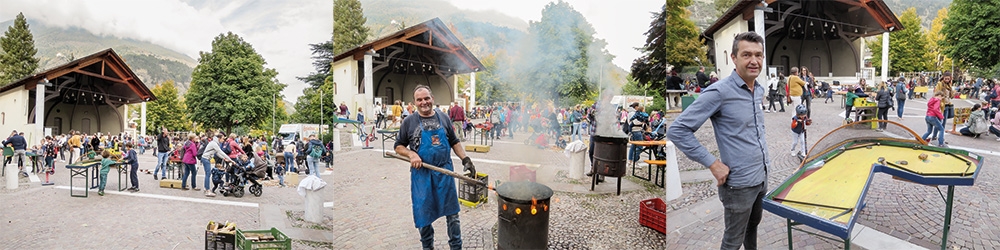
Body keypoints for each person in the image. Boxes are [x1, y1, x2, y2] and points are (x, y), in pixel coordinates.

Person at [667, 32, 771, 250]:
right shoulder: (719, 92)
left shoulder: (758, 89)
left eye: (758, 55)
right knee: (732, 241)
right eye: (746, 55)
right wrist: (712, 163)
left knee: (752, 227)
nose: (754, 61)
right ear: (734, 58)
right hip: (739, 184)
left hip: (761, 177)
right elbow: (678, 129)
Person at [394, 85, 476, 249]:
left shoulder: (443, 117)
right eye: (419, 99)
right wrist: (412, 154)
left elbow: (454, 141)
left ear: (432, 99)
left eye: (426, 98)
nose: (424, 102)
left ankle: (456, 246)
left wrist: (466, 158)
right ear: (415, 102)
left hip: (444, 173)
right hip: (422, 175)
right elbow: (398, 146)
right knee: (424, 217)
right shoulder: (409, 121)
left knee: (453, 215)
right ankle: (428, 247)